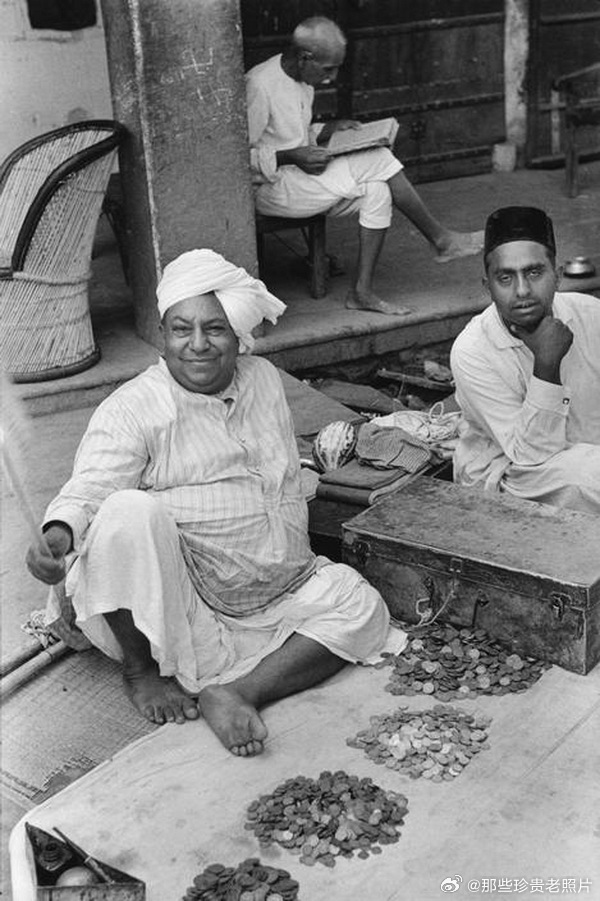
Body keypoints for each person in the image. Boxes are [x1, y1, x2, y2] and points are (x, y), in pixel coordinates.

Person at [26, 249, 406, 757]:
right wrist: (58, 536)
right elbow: (89, 490)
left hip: (281, 588)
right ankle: (141, 671)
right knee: (125, 512)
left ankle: (237, 691)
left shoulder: (263, 378)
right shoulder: (134, 407)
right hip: (185, 608)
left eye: (215, 329)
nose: (198, 345)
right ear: (163, 335)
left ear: (239, 336)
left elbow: (278, 473)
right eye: (182, 330)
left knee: (362, 605)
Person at [246, 15, 484, 316]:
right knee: (379, 159)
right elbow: (238, 159)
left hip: (299, 178)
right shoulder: (259, 84)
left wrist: (330, 128)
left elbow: (293, 133)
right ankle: (441, 239)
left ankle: (361, 292)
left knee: (377, 190)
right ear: (305, 57)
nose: (332, 77)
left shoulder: (303, 80)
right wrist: (292, 156)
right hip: (269, 188)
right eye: (328, 69)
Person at [450, 205, 600, 514]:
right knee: (586, 476)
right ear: (488, 287)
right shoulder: (472, 351)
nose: (522, 291)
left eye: (534, 272)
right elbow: (531, 454)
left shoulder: (590, 314)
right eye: (505, 277)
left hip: (587, 453)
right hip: (512, 473)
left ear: (557, 276)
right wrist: (547, 363)